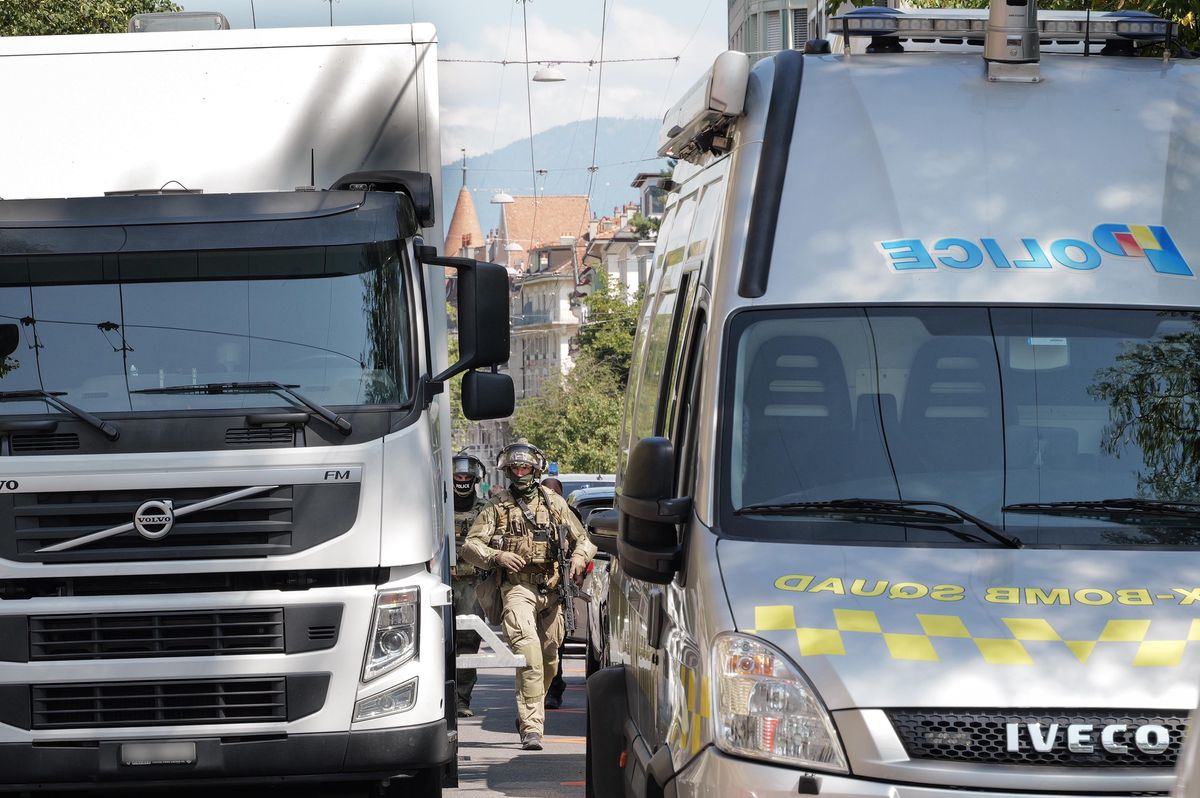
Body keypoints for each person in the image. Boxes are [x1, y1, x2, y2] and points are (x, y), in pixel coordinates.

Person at [461, 439, 597, 751]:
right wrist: (497, 556)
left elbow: (585, 540)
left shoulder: (555, 503)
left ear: (535, 469)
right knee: (530, 656)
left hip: (552, 589)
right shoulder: (497, 507)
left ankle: (529, 708)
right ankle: (532, 727)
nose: (520, 472)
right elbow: (470, 546)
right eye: (515, 467)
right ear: (508, 470)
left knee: (549, 661)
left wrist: (579, 557)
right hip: (517, 589)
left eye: (525, 467)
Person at [451, 450, 488, 718]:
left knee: (467, 639)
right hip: (440, 579)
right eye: (458, 476)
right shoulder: (437, 504)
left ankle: (461, 699)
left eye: (467, 477)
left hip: (472, 583)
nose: (462, 480)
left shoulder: (485, 509)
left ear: (475, 479)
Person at [539, 476, 569, 711]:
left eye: (555, 493)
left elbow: (582, 544)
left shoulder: (568, 515)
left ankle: (553, 691)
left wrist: (577, 570)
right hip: (532, 588)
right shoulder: (532, 514)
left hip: (558, 589)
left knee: (555, 645)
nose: (550, 497)